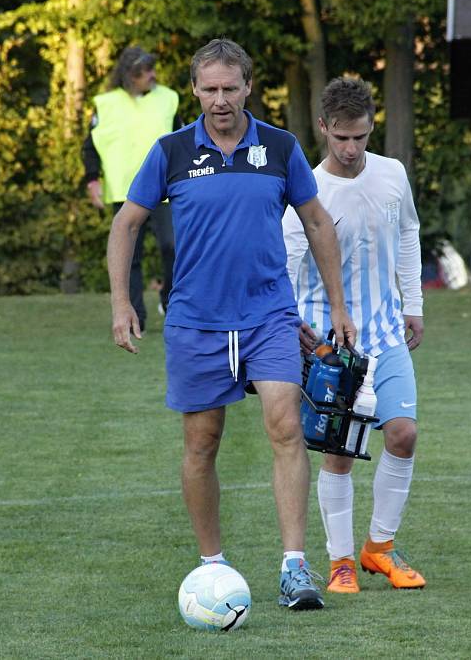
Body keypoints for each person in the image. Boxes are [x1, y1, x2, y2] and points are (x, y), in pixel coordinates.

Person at [107, 39, 356, 610]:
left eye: (230, 88)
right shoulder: (170, 151)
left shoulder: (280, 147)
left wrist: (337, 307)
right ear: (194, 90)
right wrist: (122, 303)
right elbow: (126, 226)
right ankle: (212, 568)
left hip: (270, 315)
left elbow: (317, 223)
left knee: (285, 424)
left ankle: (295, 567)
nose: (220, 100)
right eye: (209, 88)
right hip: (196, 322)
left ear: (248, 86)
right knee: (202, 442)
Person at [282, 77, 426, 594]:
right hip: (333, 347)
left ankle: (379, 549)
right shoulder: (307, 192)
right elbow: (286, 266)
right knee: (340, 454)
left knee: (403, 434)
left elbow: (408, 233)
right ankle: (341, 560)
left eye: (360, 137)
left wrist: (414, 304)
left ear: (371, 129)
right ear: (323, 128)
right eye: (341, 138)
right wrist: (290, 323)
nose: (350, 149)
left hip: (387, 334)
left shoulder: (392, 175)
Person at [82, 46, 180, 330]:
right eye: (145, 72)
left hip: (166, 188)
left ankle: (169, 298)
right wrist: (92, 180)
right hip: (124, 190)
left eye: (152, 69)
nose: (152, 75)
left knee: (173, 245)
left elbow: (183, 141)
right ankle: (136, 316)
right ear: (129, 75)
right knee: (130, 257)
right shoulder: (105, 104)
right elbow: (90, 147)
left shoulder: (168, 99)